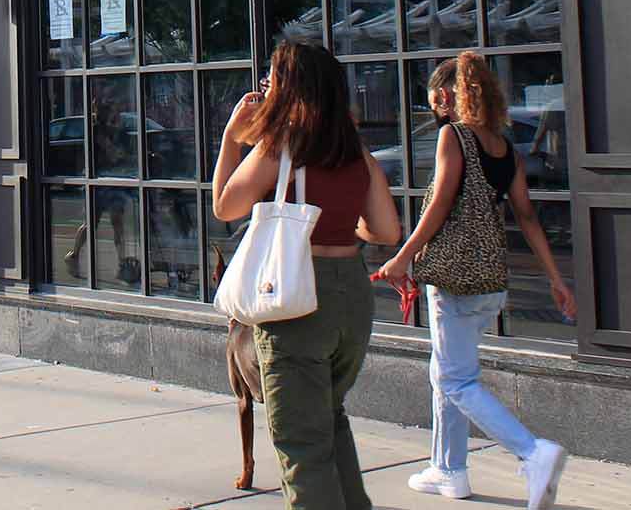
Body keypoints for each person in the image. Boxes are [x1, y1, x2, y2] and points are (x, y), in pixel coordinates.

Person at [376, 52, 575, 509]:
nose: (432, 106)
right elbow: (526, 216)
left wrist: (403, 257)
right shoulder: (504, 146)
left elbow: (440, 203)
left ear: (447, 95)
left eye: (432, 97)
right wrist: (556, 280)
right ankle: (449, 470)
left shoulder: (455, 136)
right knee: (445, 371)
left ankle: (533, 453)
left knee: (457, 380)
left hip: (455, 280)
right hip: (489, 282)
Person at [213, 43, 402, 510]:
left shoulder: (280, 149)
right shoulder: (358, 153)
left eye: (271, 81)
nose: (265, 88)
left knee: (301, 445)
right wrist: (340, 220)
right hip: (351, 295)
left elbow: (225, 207)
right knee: (330, 419)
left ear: (290, 88)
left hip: (296, 295)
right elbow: (386, 230)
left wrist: (231, 140)